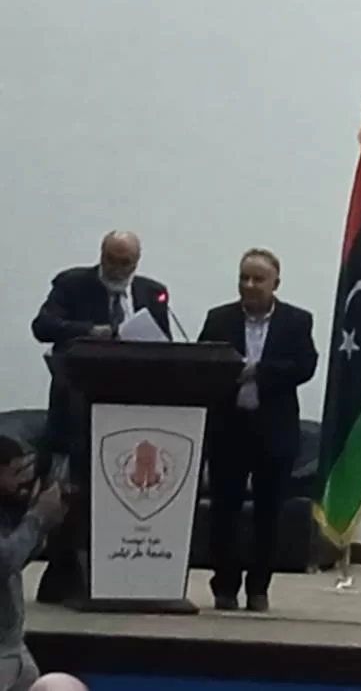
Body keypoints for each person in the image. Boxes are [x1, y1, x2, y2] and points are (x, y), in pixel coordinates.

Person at [28, 230, 168, 605]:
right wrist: (92, 332)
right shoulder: (72, 284)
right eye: (112, 260)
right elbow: (43, 326)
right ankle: (63, 578)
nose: (118, 269)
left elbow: (163, 346)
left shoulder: (153, 292)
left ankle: (116, 574)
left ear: (137, 262)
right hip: (76, 408)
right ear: (101, 255)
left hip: (128, 411)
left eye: (126, 263)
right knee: (71, 496)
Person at [197, 248, 319, 613]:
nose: (249, 285)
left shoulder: (297, 321)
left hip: (274, 430)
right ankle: (224, 586)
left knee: (269, 515)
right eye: (244, 278)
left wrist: (258, 371)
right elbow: (201, 360)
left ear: (275, 284)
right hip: (228, 428)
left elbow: (304, 366)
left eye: (258, 279)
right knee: (224, 512)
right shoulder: (219, 318)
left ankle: (258, 588)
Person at [0, 434, 66, 691]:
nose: (23, 480)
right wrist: (36, 518)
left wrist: (44, 522)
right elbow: (5, 561)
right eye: (15, 472)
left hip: (12, 643)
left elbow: (19, 559)